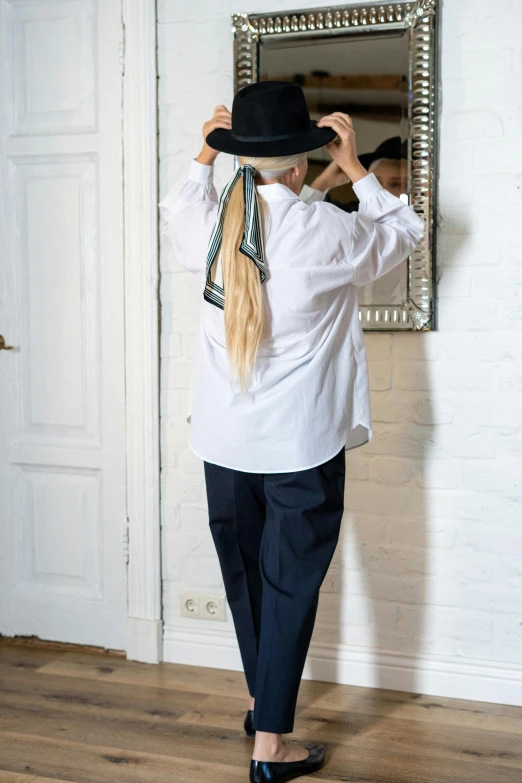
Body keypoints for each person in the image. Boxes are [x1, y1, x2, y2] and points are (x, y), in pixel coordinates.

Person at [159, 81, 424, 783]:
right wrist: (359, 166)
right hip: (300, 445)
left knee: (246, 579)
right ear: (302, 163)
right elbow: (405, 233)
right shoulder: (323, 229)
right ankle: (271, 744)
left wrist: (199, 156)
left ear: (240, 155)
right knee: (288, 586)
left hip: (223, 442)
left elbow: (177, 208)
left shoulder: (213, 219)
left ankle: (261, 700)